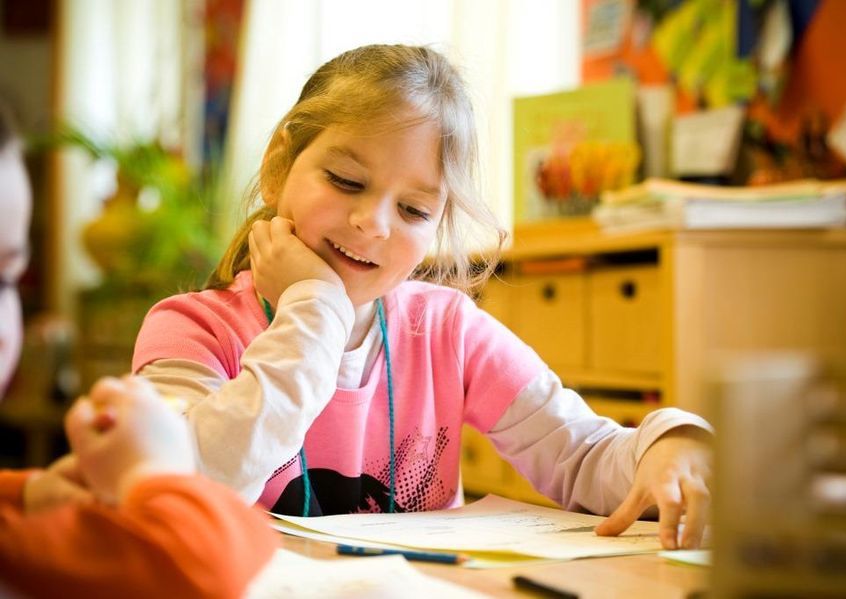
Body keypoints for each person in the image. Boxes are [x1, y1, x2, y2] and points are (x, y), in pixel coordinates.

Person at [133, 44, 713, 550]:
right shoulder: (189, 330)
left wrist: (666, 447)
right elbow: (179, 489)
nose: (373, 223)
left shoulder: (447, 330)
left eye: (413, 210)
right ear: (278, 166)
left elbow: (580, 454)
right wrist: (314, 309)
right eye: (346, 180)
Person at [0, 100, 278, 598]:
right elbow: (214, 561)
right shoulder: (188, 322)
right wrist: (154, 473)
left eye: (7, 279)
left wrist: (31, 494)